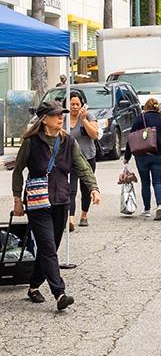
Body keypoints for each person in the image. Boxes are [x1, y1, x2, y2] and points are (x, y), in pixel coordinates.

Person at [12, 101, 99, 311]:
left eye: (62, 115)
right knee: (48, 248)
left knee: (50, 248)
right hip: (37, 203)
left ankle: (33, 287)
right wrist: (17, 199)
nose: (61, 118)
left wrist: (94, 188)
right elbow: (18, 170)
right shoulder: (31, 141)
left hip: (61, 200)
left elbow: (81, 166)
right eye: (56, 115)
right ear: (45, 119)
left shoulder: (68, 141)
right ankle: (59, 293)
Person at [124, 97, 161, 220]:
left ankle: (146, 209)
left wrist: (127, 156)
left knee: (145, 183)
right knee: (157, 182)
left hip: (142, 155)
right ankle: (160, 205)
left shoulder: (140, 119)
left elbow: (131, 137)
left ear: (146, 107)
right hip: (159, 154)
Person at [66, 89, 99, 231]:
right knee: (70, 190)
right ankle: (70, 218)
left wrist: (84, 120)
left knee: (85, 189)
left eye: (77, 104)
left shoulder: (88, 116)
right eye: (72, 104)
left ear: (82, 104)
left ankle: (84, 215)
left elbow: (95, 135)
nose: (74, 107)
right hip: (70, 159)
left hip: (87, 158)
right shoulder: (63, 118)